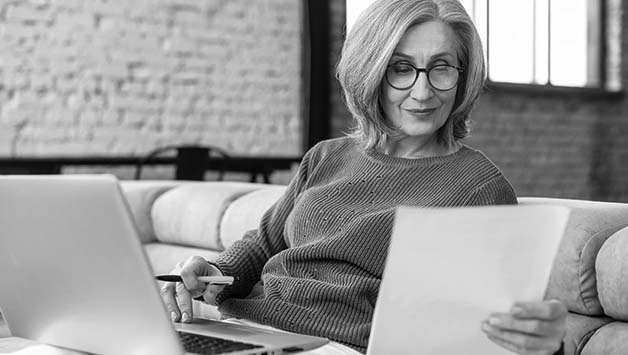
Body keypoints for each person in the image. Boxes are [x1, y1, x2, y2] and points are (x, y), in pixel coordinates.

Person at [160, 0, 567, 354]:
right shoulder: (327, 156)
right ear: (370, 72)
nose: (423, 93)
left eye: (441, 68)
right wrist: (210, 273)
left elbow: (489, 324)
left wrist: (545, 342)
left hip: (339, 345)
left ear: (463, 75)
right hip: (242, 329)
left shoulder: (479, 188)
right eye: (401, 68)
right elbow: (264, 242)